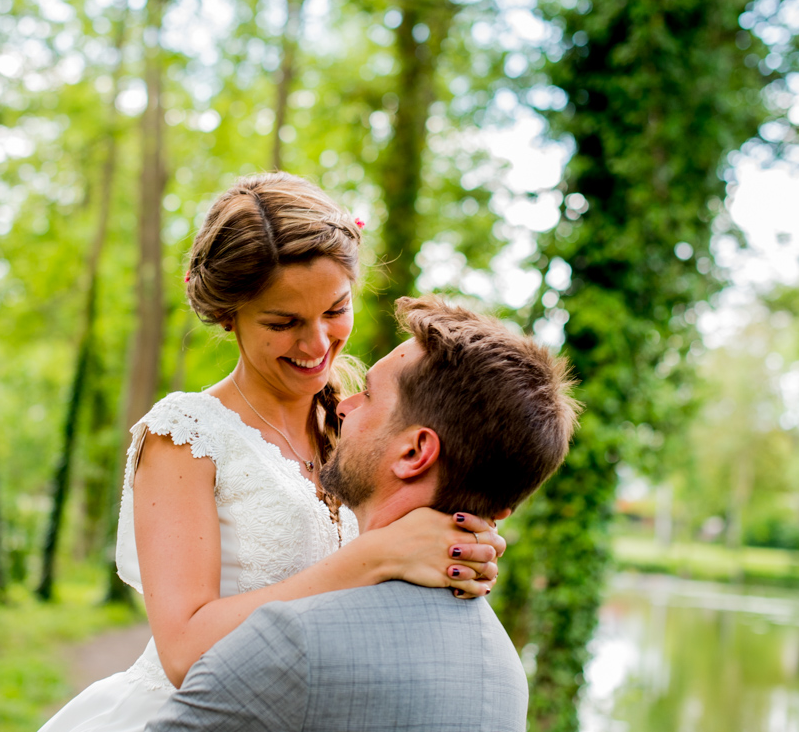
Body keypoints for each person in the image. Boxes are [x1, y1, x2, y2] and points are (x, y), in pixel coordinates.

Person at [39, 174, 505, 732]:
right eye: (283, 323)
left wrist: (463, 550)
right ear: (227, 316)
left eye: (335, 309)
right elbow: (185, 653)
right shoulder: (185, 437)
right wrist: (375, 556)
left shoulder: (359, 424)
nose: (316, 345)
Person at [145, 294, 581, 732]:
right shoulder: (505, 671)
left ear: (414, 452)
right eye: (284, 321)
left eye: (369, 394)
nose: (342, 405)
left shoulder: (294, 644)